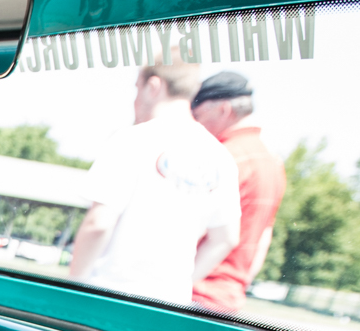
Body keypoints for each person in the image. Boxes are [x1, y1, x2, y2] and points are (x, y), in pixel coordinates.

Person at [68, 63, 240, 305]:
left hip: (106, 297)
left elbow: (99, 223)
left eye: (136, 87)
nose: (135, 99)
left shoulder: (133, 139)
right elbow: (226, 238)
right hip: (169, 306)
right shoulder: (221, 158)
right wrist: (183, 285)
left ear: (153, 86)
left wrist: (74, 287)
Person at [190, 71, 288, 313]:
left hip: (194, 292)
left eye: (198, 116)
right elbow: (264, 234)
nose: (196, 124)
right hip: (228, 299)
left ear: (223, 110)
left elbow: (190, 227)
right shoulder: (272, 162)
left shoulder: (223, 157)